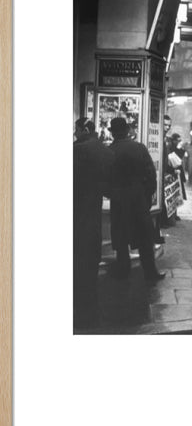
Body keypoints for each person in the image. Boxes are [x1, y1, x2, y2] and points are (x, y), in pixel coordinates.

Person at [109, 117, 166, 282]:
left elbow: (105, 179)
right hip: (138, 199)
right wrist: (146, 196)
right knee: (144, 239)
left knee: (121, 239)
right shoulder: (139, 148)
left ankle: (123, 272)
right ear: (127, 131)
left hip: (119, 201)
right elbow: (151, 174)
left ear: (113, 133)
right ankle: (150, 273)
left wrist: (113, 194)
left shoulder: (110, 150)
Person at [73, 117, 114, 328]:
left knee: (78, 255)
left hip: (77, 209)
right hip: (93, 210)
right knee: (89, 255)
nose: (74, 133)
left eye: (76, 129)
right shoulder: (104, 149)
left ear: (83, 129)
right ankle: (91, 304)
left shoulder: (78, 150)